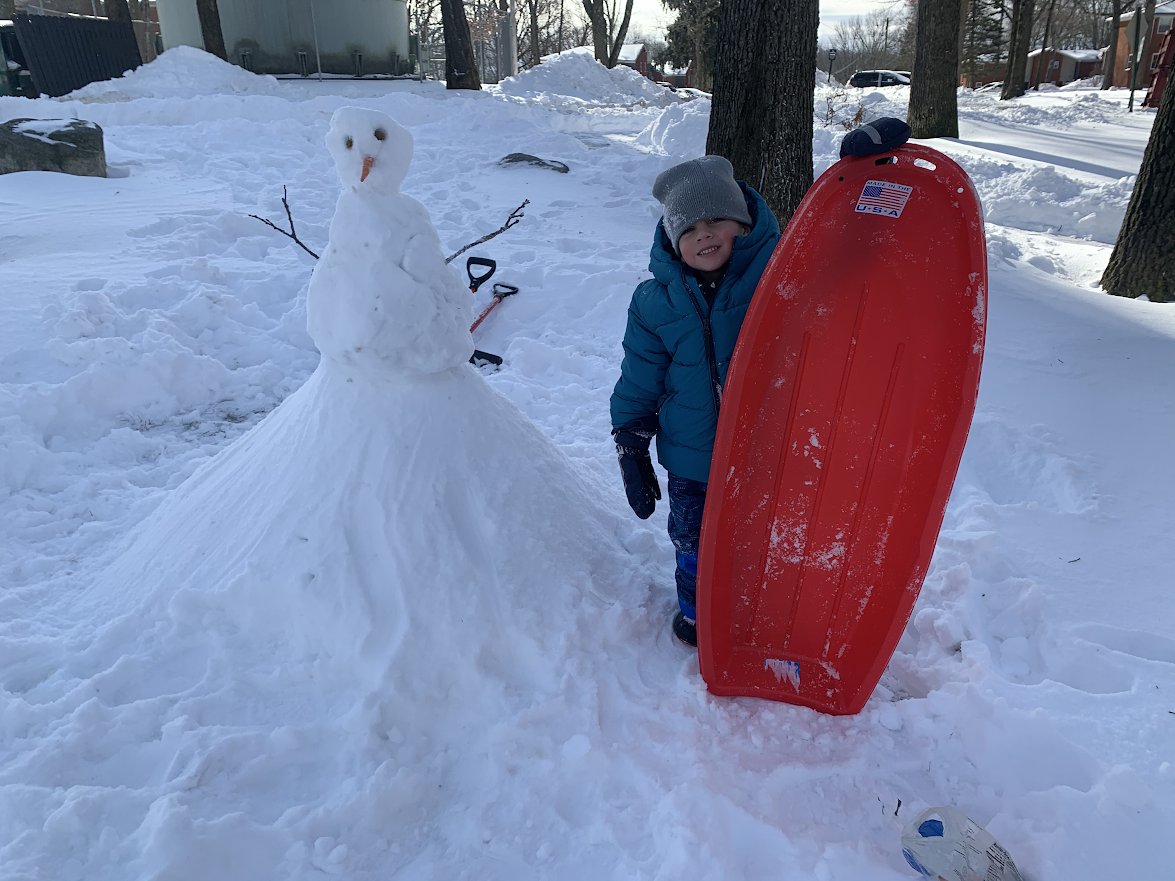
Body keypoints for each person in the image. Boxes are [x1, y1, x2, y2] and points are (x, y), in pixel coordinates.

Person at [610, 155, 781, 647]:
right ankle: (698, 615)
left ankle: (764, 612)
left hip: (770, 453)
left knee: (762, 540)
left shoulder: (778, 280)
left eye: (716, 221)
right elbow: (639, 376)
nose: (703, 235)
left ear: (744, 225)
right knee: (692, 542)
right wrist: (630, 439)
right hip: (691, 459)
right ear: (672, 240)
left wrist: (867, 181)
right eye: (688, 229)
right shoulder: (653, 302)